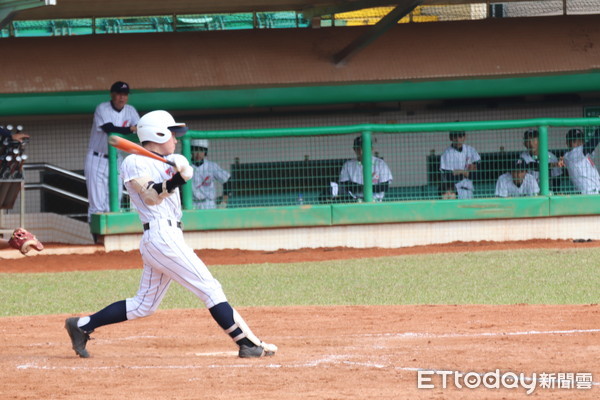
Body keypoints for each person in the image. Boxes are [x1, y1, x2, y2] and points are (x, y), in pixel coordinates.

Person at [65, 110, 277, 359]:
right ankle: (248, 343)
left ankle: (80, 326)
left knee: (144, 304)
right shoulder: (134, 162)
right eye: (172, 134)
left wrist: (181, 169)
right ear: (158, 133)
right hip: (160, 235)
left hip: (168, 236)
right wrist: (177, 179)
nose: (176, 139)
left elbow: (176, 167)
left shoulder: (170, 158)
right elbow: (151, 196)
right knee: (210, 288)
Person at [84, 81, 140, 237]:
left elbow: (139, 129)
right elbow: (110, 129)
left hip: (116, 158)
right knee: (97, 203)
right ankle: (96, 238)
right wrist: (130, 129)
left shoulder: (130, 111)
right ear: (112, 94)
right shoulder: (102, 108)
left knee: (115, 199)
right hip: (97, 158)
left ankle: (112, 237)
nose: (122, 97)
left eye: (125, 94)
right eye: (119, 94)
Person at [339, 136, 392, 202]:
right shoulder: (348, 165)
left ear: (371, 149)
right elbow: (346, 186)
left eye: (364, 148)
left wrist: (361, 187)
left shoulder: (380, 164)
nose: (361, 151)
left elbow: (384, 186)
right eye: (358, 149)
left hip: (376, 201)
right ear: (354, 149)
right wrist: (370, 187)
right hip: (355, 201)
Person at [190, 139, 231, 209]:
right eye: (195, 150)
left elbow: (228, 180)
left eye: (201, 150)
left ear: (205, 152)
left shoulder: (211, 166)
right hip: (192, 203)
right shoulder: (186, 165)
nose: (198, 154)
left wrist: (224, 200)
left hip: (208, 203)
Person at [440, 130, 480, 200]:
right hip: (454, 193)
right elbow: (450, 178)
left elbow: (476, 176)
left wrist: (460, 172)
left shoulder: (471, 150)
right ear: (451, 138)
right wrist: (467, 173)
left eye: (460, 136)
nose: (458, 139)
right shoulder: (446, 154)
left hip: (469, 191)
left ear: (464, 137)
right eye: (455, 136)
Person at [560, 128, 600, 194]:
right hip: (589, 193)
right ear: (567, 143)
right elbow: (593, 143)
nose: (579, 143)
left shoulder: (584, 155)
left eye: (581, 140)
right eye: (575, 141)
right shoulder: (571, 155)